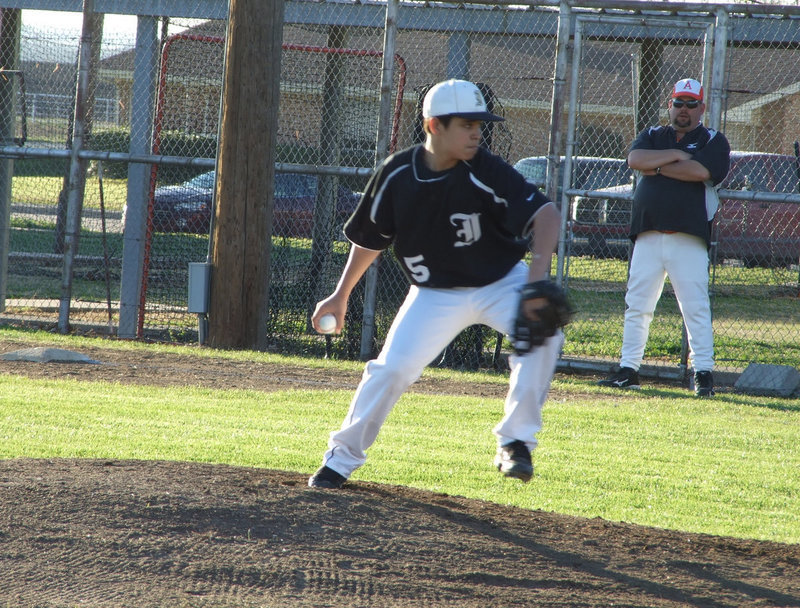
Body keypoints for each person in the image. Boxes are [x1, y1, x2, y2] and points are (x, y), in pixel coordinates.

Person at [308, 79, 565, 489]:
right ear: (434, 126)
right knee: (391, 370)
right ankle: (340, 459)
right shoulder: (396, 175)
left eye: (479, 124)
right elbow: (370, 239)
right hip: (434, 295)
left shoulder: (486, 168)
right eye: (466, 124)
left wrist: (535, 286)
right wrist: (341, 296)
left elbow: (547, 216)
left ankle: (515, 441)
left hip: (500, 282)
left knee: (544, 334)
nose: (477, 132)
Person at [598, 78, 730, 397]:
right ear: (670, 105)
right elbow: (635, 160)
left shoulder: (713, 139)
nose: (683, 110)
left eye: (690, 104)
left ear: (702, 108)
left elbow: (701, 172)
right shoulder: (654, 135)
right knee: (637, 304)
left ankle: (703, 374)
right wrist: (674, 156)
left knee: (694, 307)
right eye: (678, 103)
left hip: (688, 236)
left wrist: (656, 167)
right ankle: (628, 369)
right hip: (648, 234)